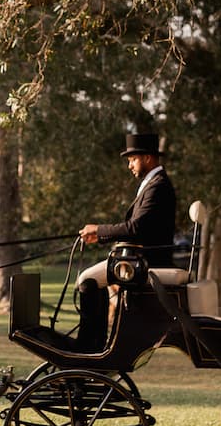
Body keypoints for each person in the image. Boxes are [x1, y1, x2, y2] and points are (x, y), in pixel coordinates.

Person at [74, 132, 178, 349]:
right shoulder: (154, 184)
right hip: (137, 259)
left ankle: (87, 346)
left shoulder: (158, 186)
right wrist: (99, 235)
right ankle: (94, 342)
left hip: (146, 262)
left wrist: (99, 229)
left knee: (87, 280)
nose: (130, 165)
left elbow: (135, 228)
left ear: (147, 158)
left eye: (133, 160)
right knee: (93, 280)